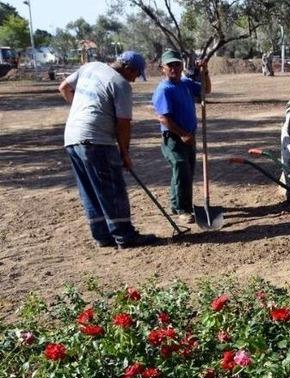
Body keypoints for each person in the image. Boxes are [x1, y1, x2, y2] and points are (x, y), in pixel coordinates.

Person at [59, 51, 157, 249]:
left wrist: (82, 109)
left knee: (89, 189)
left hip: (72, 137)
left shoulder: (90, 67)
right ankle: (125, 236)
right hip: (97, 141)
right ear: (128, 69)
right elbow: (123, 124)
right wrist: (125, 153)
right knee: (112, 188)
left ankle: (102, 235)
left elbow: (64, 87)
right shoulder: (120, 84)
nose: (135, 80)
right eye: (136, 75)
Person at [151, 50, 211, 224]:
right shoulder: (164, 90)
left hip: (188, 137)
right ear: (162, 68)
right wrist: (183, 134)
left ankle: (175, 204)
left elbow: (205, 90)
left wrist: (204, 72)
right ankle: (183, 209)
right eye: (170, 65)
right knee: (181, 169)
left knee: (184, 172)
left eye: (177, 64)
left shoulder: (185, 83)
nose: (174, 68)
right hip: (174, 138)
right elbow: (163, 118)